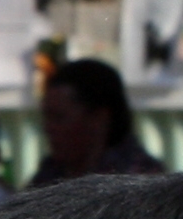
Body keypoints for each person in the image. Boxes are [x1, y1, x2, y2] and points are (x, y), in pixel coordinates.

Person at [29, 58, 167, 187]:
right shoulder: (50, 172)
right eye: (47, 117)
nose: (48, 128)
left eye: (59, 118)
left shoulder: (139, 181)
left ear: (99, 118)